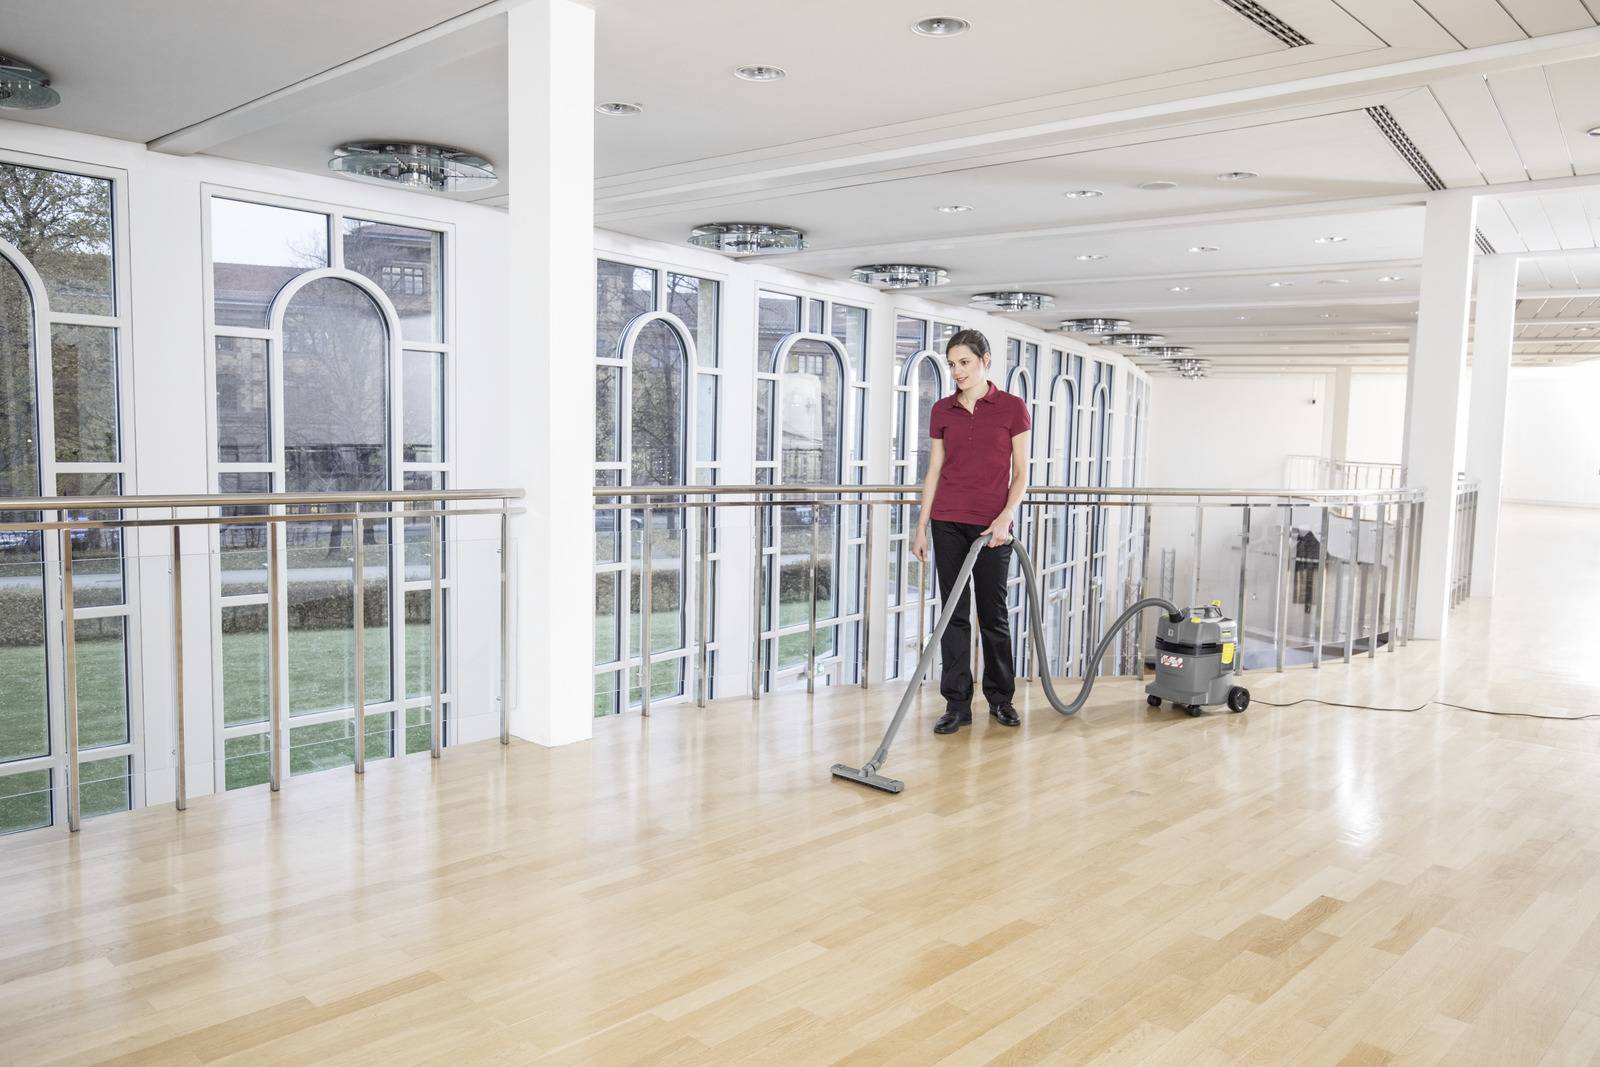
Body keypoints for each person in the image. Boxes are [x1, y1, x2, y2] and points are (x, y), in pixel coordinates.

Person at [913, 329, 1032, 734]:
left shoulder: (1012, 408)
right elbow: (934, 471)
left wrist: (1005, 518)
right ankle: (956, 704)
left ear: (985, 361)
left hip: (991, 529)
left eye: (964, 362)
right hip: (947, 521)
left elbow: (1022, 474)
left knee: (993, 615)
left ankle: (1001, 699)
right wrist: (922, 526)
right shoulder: (942, 410)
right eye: (951, 363)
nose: (957, 371)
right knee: (952, 615)